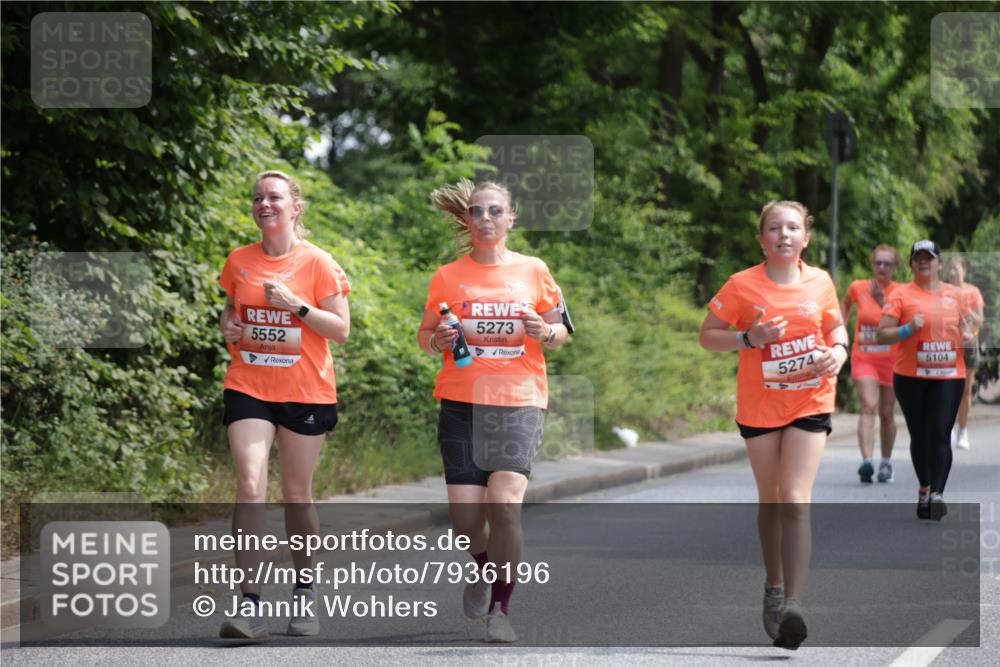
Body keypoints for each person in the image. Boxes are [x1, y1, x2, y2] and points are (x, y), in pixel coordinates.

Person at [418, 179, 569, 643]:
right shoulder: (447, 276)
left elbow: (561, 330)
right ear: (467, 219)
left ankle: (501, 610)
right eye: (477, 211)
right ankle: (485, 567)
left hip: (518, 401)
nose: (485, 218)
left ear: (510, 217)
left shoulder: (534, 270)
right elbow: (425, 335)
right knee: (466, 522)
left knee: (504, 505)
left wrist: (544, 331)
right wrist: (437, 340)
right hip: (461, 402)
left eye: (495, 211)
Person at [700, 200, 848, 650]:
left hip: (810, 399)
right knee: (771, 499)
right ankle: (774, 586)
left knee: (796, 499)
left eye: (793, 228)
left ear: (806, 238)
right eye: (775, 228)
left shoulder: (820, 282)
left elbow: (837, 330)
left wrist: (838, 354)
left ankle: (793, 607)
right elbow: (708, 335)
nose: (784, 234)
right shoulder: (742, 285)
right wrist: (748, 337)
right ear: (762, 239)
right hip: (760, 406)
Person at [217, 170, 351, 639]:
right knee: (250, 485)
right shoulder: (239, 260)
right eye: (257, 198)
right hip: (249, 384)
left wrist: (297, 305)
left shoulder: (317, 263)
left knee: (297, 494)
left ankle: (304, 591)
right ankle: (250, 605)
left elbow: (341, 329)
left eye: (274, 197)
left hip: (305, 391)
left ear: (296, 207)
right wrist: (228, 324)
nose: (264, 204)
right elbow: (231, 307)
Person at [878, 241, 971, 521]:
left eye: (928, 257)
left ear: (938, 263)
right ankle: (925, 488)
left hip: (948, 376)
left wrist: (968, 336)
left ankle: (937, 495)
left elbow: (967, 329)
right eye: (917, 258)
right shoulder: (900, 294)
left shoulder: (956, 295)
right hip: (910, 377)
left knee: (940, 432)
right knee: (920, 436)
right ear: (911, 265)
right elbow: (882, 334)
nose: (923, 262)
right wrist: (908, 328)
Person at [841, 245, 900, 483]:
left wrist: (881, 300)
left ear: (895, 267)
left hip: (892, 360)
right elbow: (845, 305)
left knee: (886, 413)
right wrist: (839, 332)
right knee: (868, 405)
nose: (882, 267)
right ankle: (867, 461)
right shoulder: (858, 287)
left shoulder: (900, 292)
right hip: (864, 356)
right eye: (878, 263)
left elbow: (904, 322)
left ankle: (886, 462)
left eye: (887, 263)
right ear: (872, 264)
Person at [945, 255, 985, 450]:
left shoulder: (973, 291)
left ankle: (963, 431)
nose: (954, 272)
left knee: (965, 391)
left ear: (964, 270)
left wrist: (968, 310)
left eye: (957, 268)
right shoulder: (943, 290)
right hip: (949, 344)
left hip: (969, 344)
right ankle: (949, 429)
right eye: (951, 269)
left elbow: (980, 321)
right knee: (947, 389)